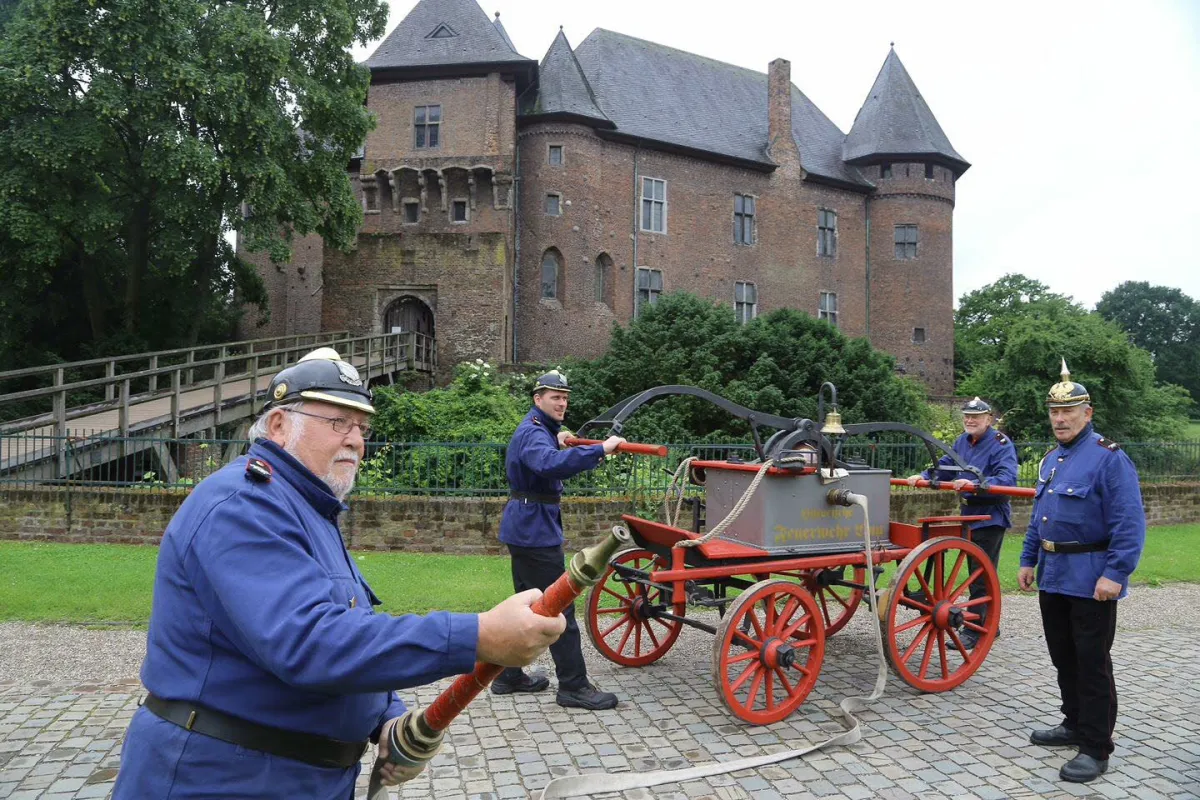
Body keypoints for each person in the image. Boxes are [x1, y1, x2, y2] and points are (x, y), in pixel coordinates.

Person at [112, 348, 566, 799]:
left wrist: (386, 718)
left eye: (361, 427)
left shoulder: (308, 507)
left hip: (297, 777)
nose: (355, 439)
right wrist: (476, 635)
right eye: (338, 423)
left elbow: (351, 625)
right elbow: (310, 642)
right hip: (222, 778)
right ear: (278, 425)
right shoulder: (243, 506)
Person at [1018, 360, 1145, 784]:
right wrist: (1027, 558)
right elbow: (1041, 515)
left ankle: (1095, 747)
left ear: (1087, 413)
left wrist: (1117, 574)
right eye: (1054, 412)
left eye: (1068, 411)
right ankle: (1072, 723)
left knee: (1092, 663)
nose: (1060, 418)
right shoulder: (1053, 457)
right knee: (1063, 657)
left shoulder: (1109, 459)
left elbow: (1129, 524)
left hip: (1092, 579)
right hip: (1053, 575)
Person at [492, 370, 626, 710]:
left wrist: (559, 438)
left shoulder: (539, 430)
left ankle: (509, 674)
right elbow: (548, 464)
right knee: (559, 607)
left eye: (564, 397)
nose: (562, 402)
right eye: (554, 396)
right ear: (538, 400)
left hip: (526, 526)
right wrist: (601, 449)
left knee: (528, 603)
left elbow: (546, 452)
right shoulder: (534, 433)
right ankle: (573, 687)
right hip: (535, 531)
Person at [905, 396, 1018, 650]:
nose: (970, 420)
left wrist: (976, 485)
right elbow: (946, 466)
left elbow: (1007, 479)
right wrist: (924, 476)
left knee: (980, 574)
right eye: (967, 416)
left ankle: (976, 631)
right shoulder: (961, 441)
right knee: (977, 571)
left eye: (976, 416)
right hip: (969, 514)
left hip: (990, 517)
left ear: (989, 419)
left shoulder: (1001, 444)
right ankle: (989, 623)